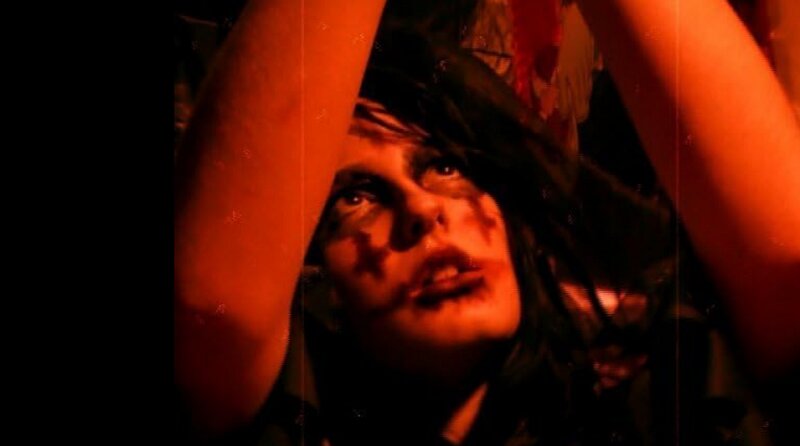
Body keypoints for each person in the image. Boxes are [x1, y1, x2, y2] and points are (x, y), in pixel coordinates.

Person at [175, 0, 800, 444]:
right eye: (355, 199)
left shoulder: (661, 391)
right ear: (314, 275)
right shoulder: (295, 419)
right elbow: (217, 311)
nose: (423, 211)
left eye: (444, 167)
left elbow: (786, 265)